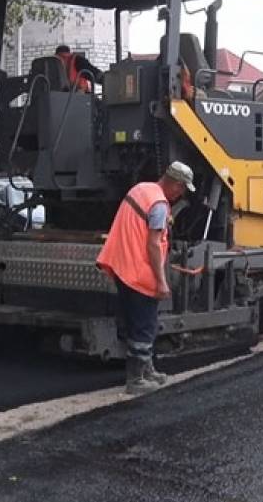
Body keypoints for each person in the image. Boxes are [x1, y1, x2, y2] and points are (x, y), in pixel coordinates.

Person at [96, 161, 195, 395]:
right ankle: (136, 380)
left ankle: (147, 370)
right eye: (181, 189)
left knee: (136, 323)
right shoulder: (159, 205)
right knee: (144, 326)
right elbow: (152, 244)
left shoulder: (140, 190)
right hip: (139, 272)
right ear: (176, 184)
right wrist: (161, 281)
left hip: (122, 266)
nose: (180, 194)